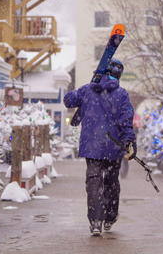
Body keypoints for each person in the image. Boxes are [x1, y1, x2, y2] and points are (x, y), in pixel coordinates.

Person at [63, 58, 137, 236]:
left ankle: (95, 220)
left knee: (94, 182)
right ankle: (110, 217)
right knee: (111, 182)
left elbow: (68, 100)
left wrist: (90, 85)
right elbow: (126, 120)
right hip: (114, 145)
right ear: (118, 75)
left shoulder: (87, 90)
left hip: (92, 144)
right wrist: (130, 141)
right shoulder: (121, 94)